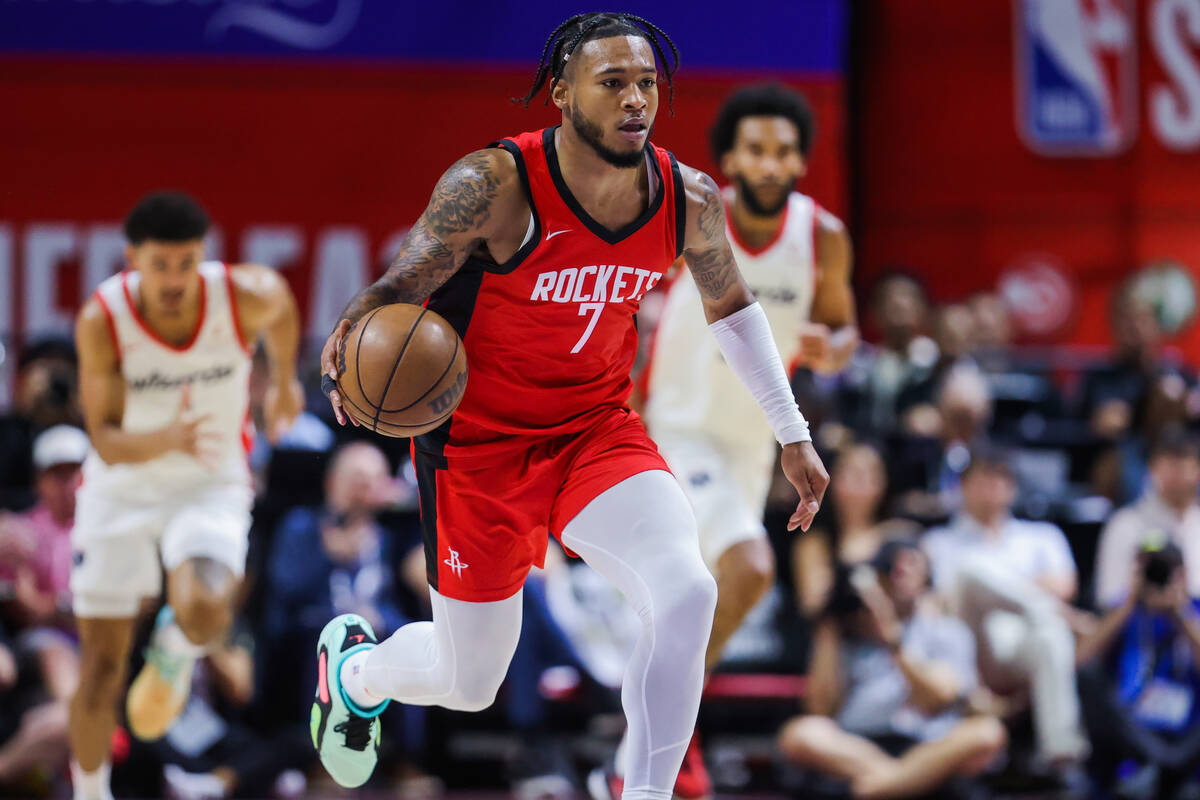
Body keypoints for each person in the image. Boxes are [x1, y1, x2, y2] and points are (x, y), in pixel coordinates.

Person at [312, 13, 829, 800]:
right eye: (612, 82)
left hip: (595, 431)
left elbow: (732, 309)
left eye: (647, 83)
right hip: (477, 446)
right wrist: (353, 351)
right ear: (561, 93)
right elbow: (394, 292)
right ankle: (356, 672)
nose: (635, 101)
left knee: (688, 590)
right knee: (469, 678)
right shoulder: (492, 186)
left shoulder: (686, 197)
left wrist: (791, 432)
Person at [69, 191, 303, 800]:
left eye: (186, 262)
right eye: (160, 264)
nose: (174, 279)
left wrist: (281, 383)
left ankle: (174, 652)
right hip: (121, 490)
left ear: (201, 256)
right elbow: (107, 441)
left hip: (209, 481)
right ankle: (92, 794)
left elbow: (281, 312)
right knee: (99, 669)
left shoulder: (244, 293)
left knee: (205, 606)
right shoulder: (103, 320)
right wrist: (167, 436)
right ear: (133, 259)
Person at [778, 540, 1006, 799]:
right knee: (800, 733)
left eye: (911, 562)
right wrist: (828, 625)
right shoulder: (848, 631)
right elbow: (820, 707)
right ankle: (901, 781)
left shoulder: (948, 631)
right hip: (858, 743)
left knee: (986, 732)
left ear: (927, 576)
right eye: (892, 564)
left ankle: (884, 786)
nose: (901, 571)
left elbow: (938, 698)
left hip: (929, 745)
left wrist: (893, 643)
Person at [922, 448, 1089, 772]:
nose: (991, 486)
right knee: (969, 571)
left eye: (1000, 478)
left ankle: (1062, 753)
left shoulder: (1042, 536)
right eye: (982, 478)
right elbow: (939, 602)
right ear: (962, 487)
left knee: (1051, 634)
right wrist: (1033, 588)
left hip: (1024, 645)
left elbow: (1065, 585)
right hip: (970, 647)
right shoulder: (938, 541)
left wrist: (1006, 588)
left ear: (1013, 487)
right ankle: (1050, 614)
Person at [1076, 543, 1200, 800]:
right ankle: (1160, 765)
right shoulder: (1122, 610)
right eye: (1148, 570)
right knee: (1088, 678)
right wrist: (1129, 602)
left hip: (1187, 734)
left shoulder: (1193, 610)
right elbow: (1080, 660)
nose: (1156, 577)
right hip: (1132, 732)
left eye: (1163, 569)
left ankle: (1166, 765)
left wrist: (1181, 613)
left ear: (1184, 574)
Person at [794, 442, 919, 618]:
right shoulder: (813, 541)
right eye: (851, 471)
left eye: (871, 472)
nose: (861, 479)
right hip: (835, 637)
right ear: (830, 479)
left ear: (884, 482)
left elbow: (917, 596)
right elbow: (812, 604)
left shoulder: (900, 535)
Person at [1095, 427, 1200, 609]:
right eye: (1167, 462)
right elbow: (1107, 597)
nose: (1175, 472)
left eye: (1182, 462)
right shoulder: (1125, 523)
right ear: (1152, 467)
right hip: (1137, 621)